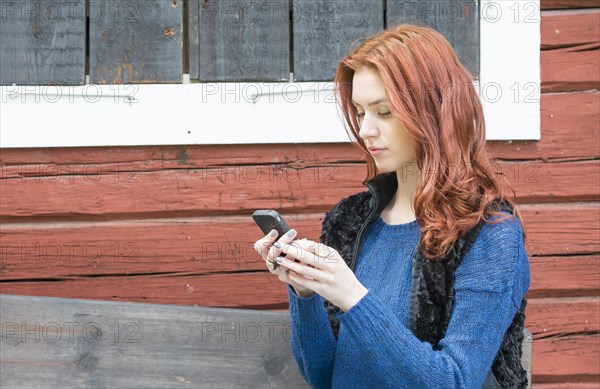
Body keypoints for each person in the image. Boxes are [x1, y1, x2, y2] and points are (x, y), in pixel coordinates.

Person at [253, 23, 530, 389]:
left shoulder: (489, 234)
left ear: (433, 112)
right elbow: (324, 375)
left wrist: (351, 294)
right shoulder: (348, 220)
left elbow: (454, 380)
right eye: (359, 111)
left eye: (383, 112)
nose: (365, 129)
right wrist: (305, 292)